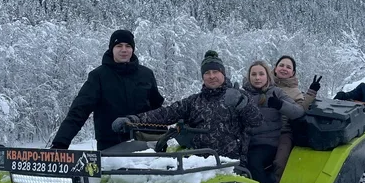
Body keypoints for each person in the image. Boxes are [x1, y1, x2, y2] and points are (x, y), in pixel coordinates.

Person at [111, 50, 262, 164]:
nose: (212, 76)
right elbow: (166, 113)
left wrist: (245, 105)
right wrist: (133, 119)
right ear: (203, 77)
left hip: (231, 164)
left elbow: (256, 122)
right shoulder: (194, 101)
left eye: (215, 71)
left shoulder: (238, 96)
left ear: (223, 73)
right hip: (199, 165)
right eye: (207, 73)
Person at [51, 29, 164, 151]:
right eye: (119, 46)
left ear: (133, 49)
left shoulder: (146, 74)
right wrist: (61, 143)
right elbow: (79, 111)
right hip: (110, 147)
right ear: (112, 48)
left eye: (128, 46)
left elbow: (157, 110)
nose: (124, 50)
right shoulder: (98, 76)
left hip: (145, 146)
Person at [243, 60, 305, 183]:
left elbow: (299, 111)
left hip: (267, 142)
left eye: (261, 74)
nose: (257, 78)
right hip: (246, 141)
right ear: (249, 77)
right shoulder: (243, 95)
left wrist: (280, 105)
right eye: (253, 74)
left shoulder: (276, 92)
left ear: (267, 76)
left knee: (253, 161)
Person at [273, 55, 322, 181]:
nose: (284, 69)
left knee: (279, 162)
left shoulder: (295, 92)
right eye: (281, 65)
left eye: (288, 67)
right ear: (275, 68)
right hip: (261, 129)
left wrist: (311, 93)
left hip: (284, 131)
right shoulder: (264, 84)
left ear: (293, 73)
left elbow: (301, 110)